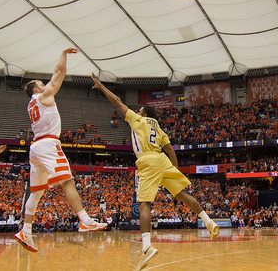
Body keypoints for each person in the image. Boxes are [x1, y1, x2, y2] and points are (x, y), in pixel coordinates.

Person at [91, 73, 219, 271]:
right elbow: (170, 150)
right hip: (162, 160)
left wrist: (101, 86)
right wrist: (174, 169)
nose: (137, 110)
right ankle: (209, 222)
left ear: (143, 113)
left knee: (143, 203)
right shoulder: (159, 128)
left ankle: (147, 246)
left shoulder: (138, 120)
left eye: (139, 109)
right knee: (183, 194)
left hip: (148, 161)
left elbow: (117, 102)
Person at [15, 48, 107, 253]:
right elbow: (59, 72)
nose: (44, 84)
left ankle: (25, 231)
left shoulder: (30, 105)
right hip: (48, 144)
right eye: (41, 83)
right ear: (36, 90)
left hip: (35, 147)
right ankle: (84, 219)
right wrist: (64, 54)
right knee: (67, 180)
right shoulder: (42, 97)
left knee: (36, 193)